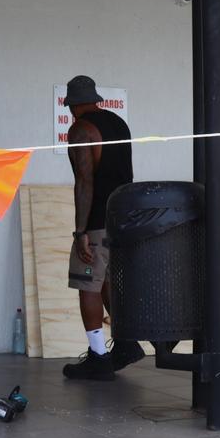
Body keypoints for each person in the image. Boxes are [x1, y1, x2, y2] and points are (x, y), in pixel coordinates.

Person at [60, 75, 143, 381]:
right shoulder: (118, 123)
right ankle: (125, 343)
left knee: (88, 284)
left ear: (73, 105)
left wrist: (80, 231)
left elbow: (85, 180)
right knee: (109, 281)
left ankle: (98, 355)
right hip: (124, 217)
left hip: (97, 221)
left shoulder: (81, 129)